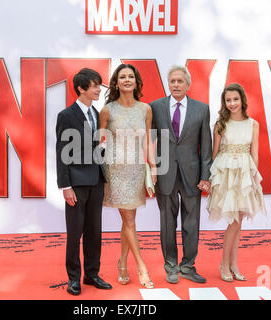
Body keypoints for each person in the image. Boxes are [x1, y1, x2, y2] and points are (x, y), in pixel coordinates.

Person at [150, 65, 212, 284]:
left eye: (180, 81)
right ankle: (171, 266)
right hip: (165, 173)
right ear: (169, 84)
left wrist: (206, 176)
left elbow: (206, 146)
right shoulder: (155, 107)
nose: (176, 85)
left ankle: (188, 266)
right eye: (172, 81)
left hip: (192, 175)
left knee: (191, 223)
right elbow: (148, 142)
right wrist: (151, 171)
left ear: (188, 84)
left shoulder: (201, 109)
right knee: (167, 223)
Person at [55, 68, 112, 295]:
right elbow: (61, 152)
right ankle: (73, 278)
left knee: (94, 231)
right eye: (94, 85)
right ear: (81, 88)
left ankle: (92, 274)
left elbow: (99, 146)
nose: (99, 89)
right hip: (76, 183)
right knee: (75, 232)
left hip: (97, 180)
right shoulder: (66, 115)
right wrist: (65, 186)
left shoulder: (98, 114)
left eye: (99, 85)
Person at [99, 64, 156, 289]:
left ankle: (122, 262)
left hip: (136, 170)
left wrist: (152, 168)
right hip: (116, 170)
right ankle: (142, 267)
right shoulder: (108, 110)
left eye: (130, 76)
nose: (127, 80)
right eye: (122, 77)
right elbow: (99, 142)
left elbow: (147, 140)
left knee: (128, 220)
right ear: (116, 82)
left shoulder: (145, 109)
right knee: (130, 220)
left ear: (136, 81)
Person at [206, 83, 266, 282]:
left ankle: (232, 264)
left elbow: (254, 154)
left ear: (242, 100)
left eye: (235, 99)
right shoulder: (220, 124)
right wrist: (210, 180)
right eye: (228, 100)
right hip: (226, 176)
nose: (232, 103)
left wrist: (254, 179)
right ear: (224, 103)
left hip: (245, 175)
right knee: (234, 222)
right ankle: (225, 264)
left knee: (238, 223)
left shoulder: (253, 124)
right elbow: (214, 154)